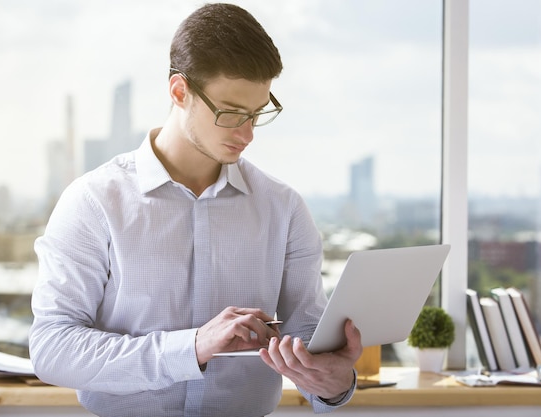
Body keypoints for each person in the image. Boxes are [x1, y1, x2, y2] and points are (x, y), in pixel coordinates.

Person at [29, 3, 362, 416]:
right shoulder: (94, 202)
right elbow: (53, 347)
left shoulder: (284, 208)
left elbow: (306, 336)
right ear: (179, 92)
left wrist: (332, 382)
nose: (247, 134)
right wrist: (191, 348)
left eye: (257, 114)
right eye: (231, 113)